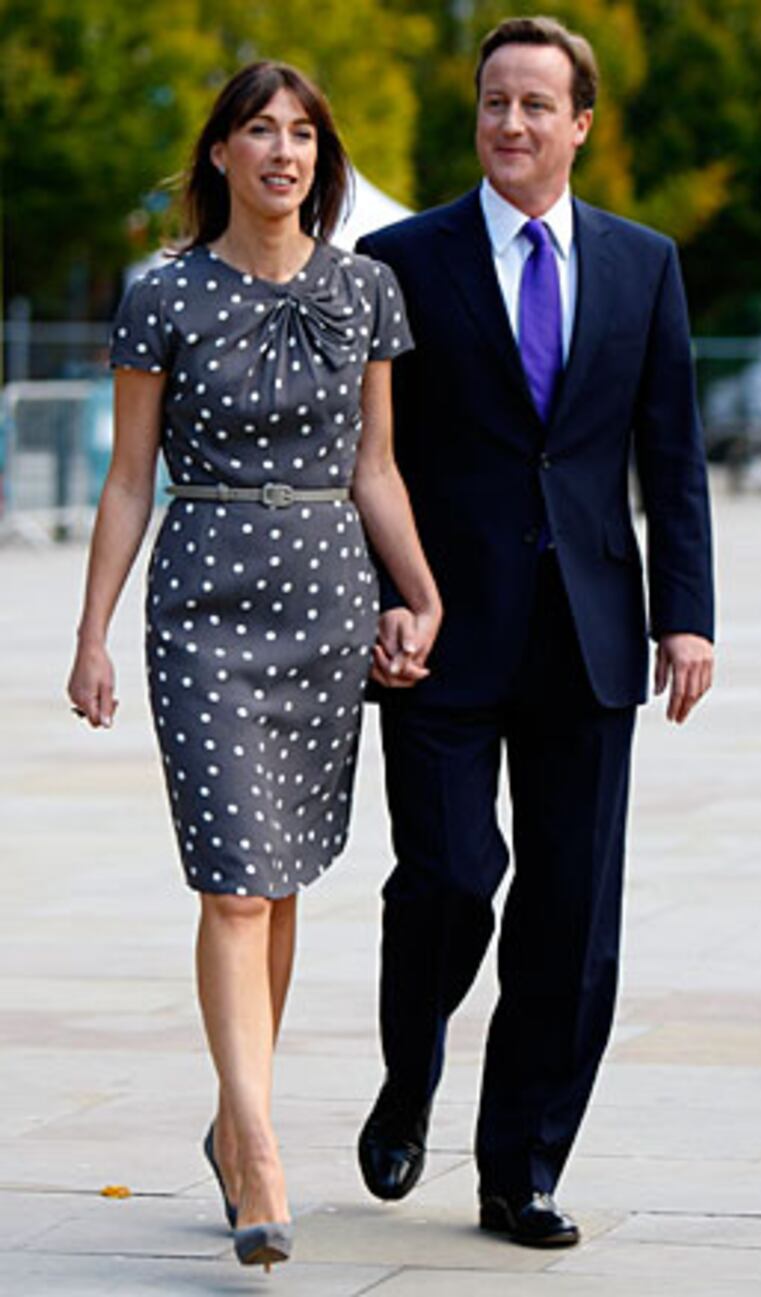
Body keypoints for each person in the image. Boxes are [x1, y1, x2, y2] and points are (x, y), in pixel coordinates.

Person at [66, 60, 440, 1271]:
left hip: (327, 606)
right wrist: (91, 633)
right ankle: (264, 1149)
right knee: (231, 885)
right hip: (203, 610)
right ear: (220, 153)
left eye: (302, 134)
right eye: (259, 130)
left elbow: (375, 466)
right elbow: (130, 479)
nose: (283, 151)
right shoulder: (162, 293)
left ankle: (236, 1123)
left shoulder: (365, 288)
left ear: (320, 158)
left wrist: (420, 591)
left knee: (275, 885)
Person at [356, 15, 714, 1249]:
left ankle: (522, 1168)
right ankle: (410, 1072)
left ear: (580, 123)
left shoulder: (642, 264)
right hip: (440, 629)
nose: (508, 122)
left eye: (533, 103)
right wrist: (386, 598)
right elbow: (371, 457)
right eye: (492, 101)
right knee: (449, 877)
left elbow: (671, 454)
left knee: (570, 912)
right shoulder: (400, 259)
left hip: (589, 633)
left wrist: (684, 617)